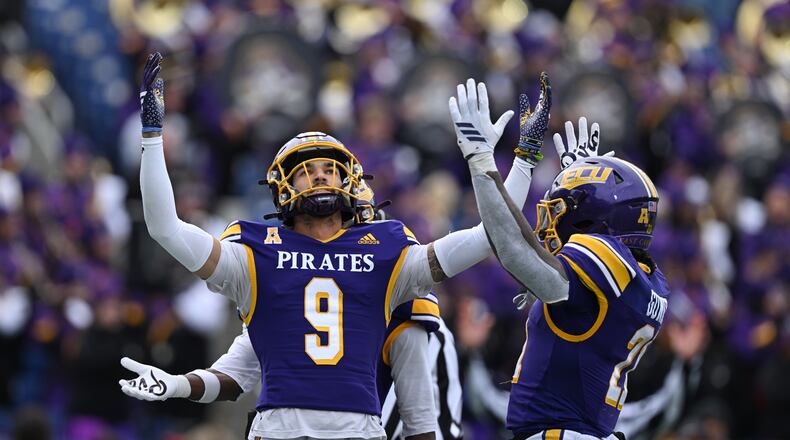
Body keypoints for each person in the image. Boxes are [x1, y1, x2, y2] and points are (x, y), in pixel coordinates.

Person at [121, 52, 549, 440]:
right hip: (280, 429)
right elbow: (165, 228)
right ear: (282, 186)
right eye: (306, 170)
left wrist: (514, 161)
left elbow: (488, 236)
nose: (321, 175)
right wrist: (153, 137)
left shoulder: (387, 250)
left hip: (358, 430)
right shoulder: (254, 251)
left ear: (351, 181)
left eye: (330, 168)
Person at [449, 77, 671, 440]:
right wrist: (576, 180)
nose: (551, 221)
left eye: (562, 211)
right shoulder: (648, 279)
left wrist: (484, 160)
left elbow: (515, 249)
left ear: (594, 220)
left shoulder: (602, 261)